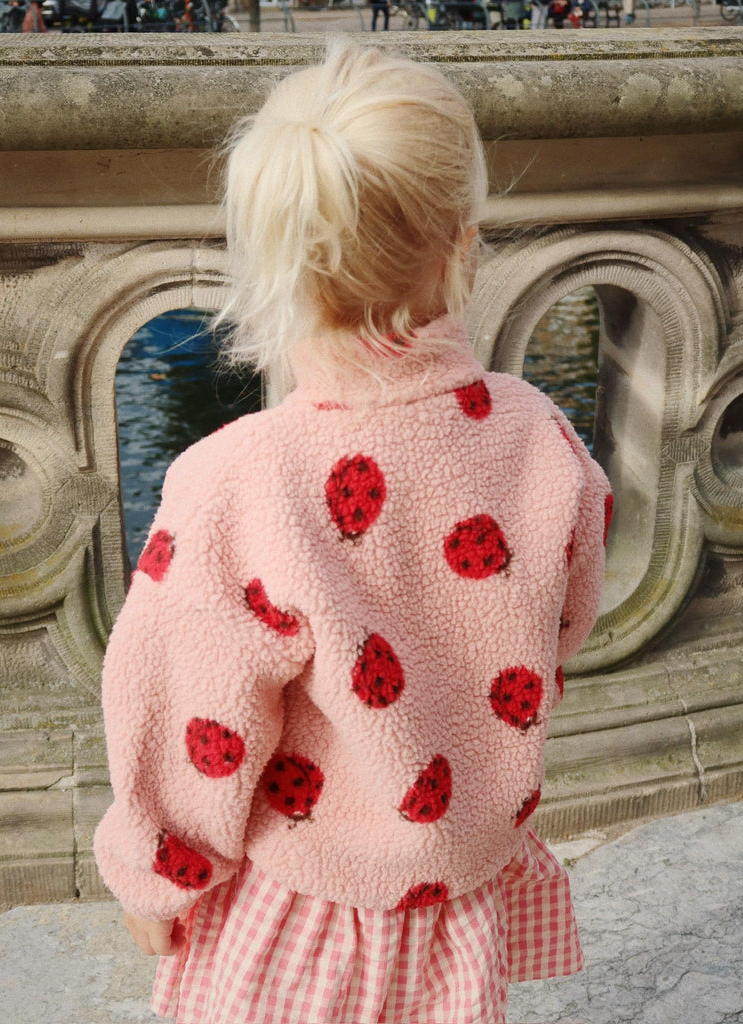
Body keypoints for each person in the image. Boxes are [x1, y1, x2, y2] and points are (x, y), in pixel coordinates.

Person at [94, 40, 611, 1024]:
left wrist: (159, 869)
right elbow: (558, 628)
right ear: (463, 242)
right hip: (458, 901)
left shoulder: (238, 480)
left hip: (300, 914)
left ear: (272, 261)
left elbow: (185, 709)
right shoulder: (542, 436)